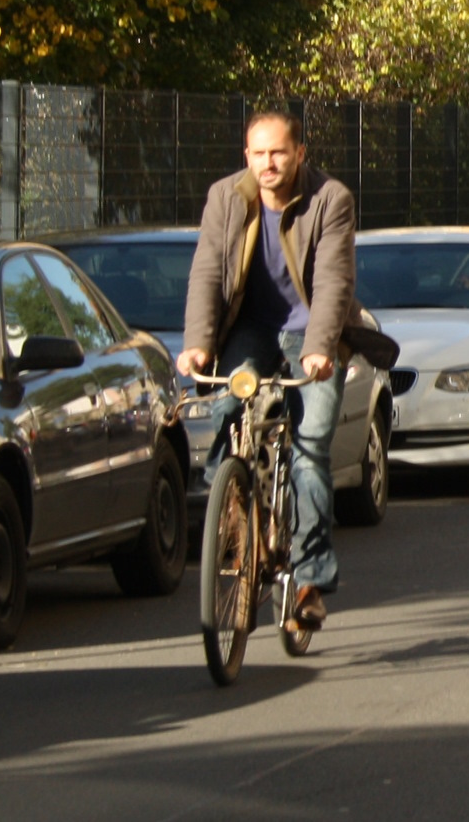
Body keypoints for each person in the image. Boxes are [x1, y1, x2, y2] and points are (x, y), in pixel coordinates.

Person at [178, 110, 359, 635]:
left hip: (312, 331)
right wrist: (197, 344)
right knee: (225, 413)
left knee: (310, 450)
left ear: (300, 153)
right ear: (247, 157)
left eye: (278, 152)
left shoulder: (330, 199)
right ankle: (242, 530)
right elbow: (206, 271)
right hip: (251, 328)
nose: (268, 163)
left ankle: (309, 582)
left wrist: (320, 349)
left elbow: (333, 281)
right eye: (258, 154)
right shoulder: (226, 197)